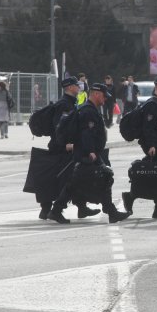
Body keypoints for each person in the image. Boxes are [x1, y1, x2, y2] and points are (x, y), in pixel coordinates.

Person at [48, 84, 129, 224]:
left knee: (79, 182)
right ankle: (111, 211)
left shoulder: (88, 109)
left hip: (86, 152)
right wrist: (91, 151)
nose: (105, 99)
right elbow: (87, 133)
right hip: (87, 153)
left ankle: (57, 210)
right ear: (96, 94)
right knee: (104, 177)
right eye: (103, 96)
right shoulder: (88, 111)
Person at [39, 77, 100, 221]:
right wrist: (65, 144)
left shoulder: (70, 103)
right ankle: (51, 209)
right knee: (69, 178)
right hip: (62, 148)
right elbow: (58, 127)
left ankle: (81, 207)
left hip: (67, 147)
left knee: (76, 176)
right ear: (70, 87)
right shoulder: (64, 105)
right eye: (76, 85)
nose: (79, 88)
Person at [121, 75, 157, 219]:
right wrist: (152, 145)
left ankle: (135, 198)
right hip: (153, 144)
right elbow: (149, 128)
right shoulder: (152, 104)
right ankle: (156, 207)